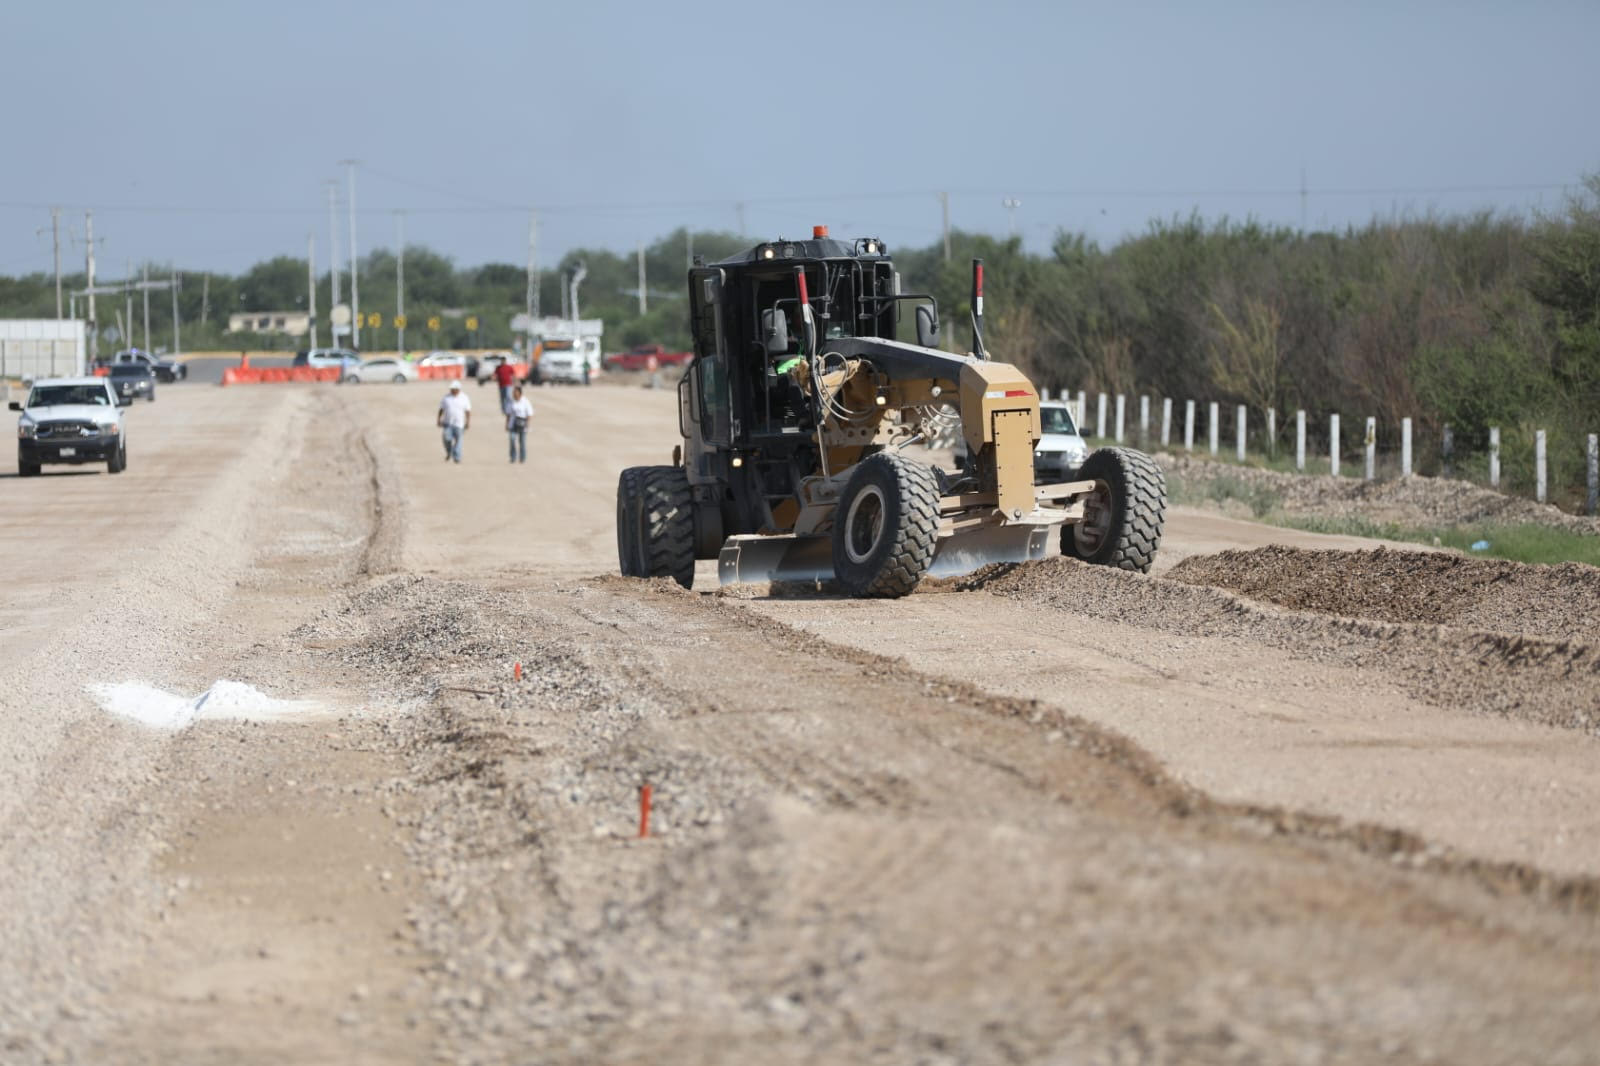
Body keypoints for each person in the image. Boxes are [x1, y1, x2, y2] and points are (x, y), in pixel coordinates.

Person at [437, 380, 472, 463]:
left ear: (458, 389)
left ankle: (457, 457)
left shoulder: (464, 398)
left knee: (459, 441)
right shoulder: (446, 398)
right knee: (446, 439)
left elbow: (468, 411)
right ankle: (449, 451)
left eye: (454, 389)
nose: (452, 390)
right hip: (448, 423)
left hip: (459, 424)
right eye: (451, 389)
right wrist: (438, 419)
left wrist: (467, 422)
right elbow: (441, 409)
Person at [505, 385, 534, 463]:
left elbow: (529, 413)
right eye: (513, 392)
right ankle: (513, 457)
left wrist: (527, 424)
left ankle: (522, 458)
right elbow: (508, 414)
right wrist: (507, 424)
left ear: (520, 393)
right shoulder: (511, 401)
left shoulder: (525, 401)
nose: (514, 394)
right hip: (513, 424)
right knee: (512, 439)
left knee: (522, 442)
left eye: (515, 392)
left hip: (522, 424)